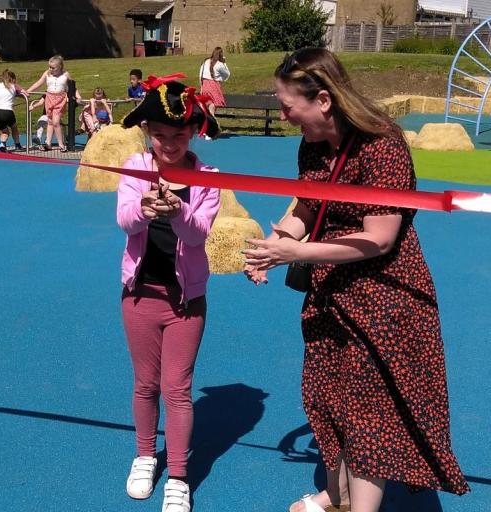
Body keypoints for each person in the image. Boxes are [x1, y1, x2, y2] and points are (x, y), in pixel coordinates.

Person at [243, 48, 469, 512]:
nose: (284, 116)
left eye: (289, 105)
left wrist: (295, 252)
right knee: (326, 391)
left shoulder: (382, 144)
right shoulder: (311, 144)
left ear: (323, 100)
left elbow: (380, 238)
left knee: (369, 409)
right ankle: (337, 492)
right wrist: (274, 244)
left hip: (384, 297)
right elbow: (309, 204)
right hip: (331, 293)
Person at [117, 75, 221, 512]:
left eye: (178, 134)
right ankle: (145, 455)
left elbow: (198, 234)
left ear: (192, 132)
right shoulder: (135, 168)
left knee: (177, 389)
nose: (169, 143)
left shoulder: (208, 178)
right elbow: (124, 220)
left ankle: (177, 474)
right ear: (148, 134)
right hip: (140, 295)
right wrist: (143, 208)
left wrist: (178, 210)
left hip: (185, 302)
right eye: (160, 135)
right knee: (145, 384)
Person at [24, 54, 80, 152]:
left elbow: (72, 87)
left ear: (60, 67)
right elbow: (38, 83)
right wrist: (28, 90)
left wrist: (78, 96)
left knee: (56, 122)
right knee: (50, 121)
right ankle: (48, 143)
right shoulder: (47, 73)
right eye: (49, 66)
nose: (50, 69)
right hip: (49, 98)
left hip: (60, 99)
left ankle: (61, 144)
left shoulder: (65, 74)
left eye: (53, 67)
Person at [0, 69, 25, 152]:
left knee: (5, 131)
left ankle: (2, 144)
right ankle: (17, 145)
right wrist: (20, 94)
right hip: (7, 111)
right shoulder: (14, 86)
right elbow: (26, 94)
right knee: (14, 127)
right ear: (13, 79)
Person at [198, 46, 230, 122]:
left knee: (209, 105)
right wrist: (224, 63)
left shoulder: (205, 61)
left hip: (205, 85)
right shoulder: (219, 65)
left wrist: (201, 87)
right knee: (212, 107)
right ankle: (211, 125)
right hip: (214, 86)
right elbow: (227, 74)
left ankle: (209, 125)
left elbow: (200, 75)